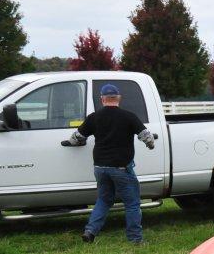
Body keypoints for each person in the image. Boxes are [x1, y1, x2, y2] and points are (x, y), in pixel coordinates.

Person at [62, 83, 155, 243]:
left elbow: (76, 138)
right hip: (121, 168)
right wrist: (150, 145)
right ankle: (135, 239)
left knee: (104, 200)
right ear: (118, 98)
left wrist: (71, 143)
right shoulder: (128, 116)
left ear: (102, 99)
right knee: (132, 203)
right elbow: (147, 136)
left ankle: (90, 231)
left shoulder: (94, 117)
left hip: (100, 167)